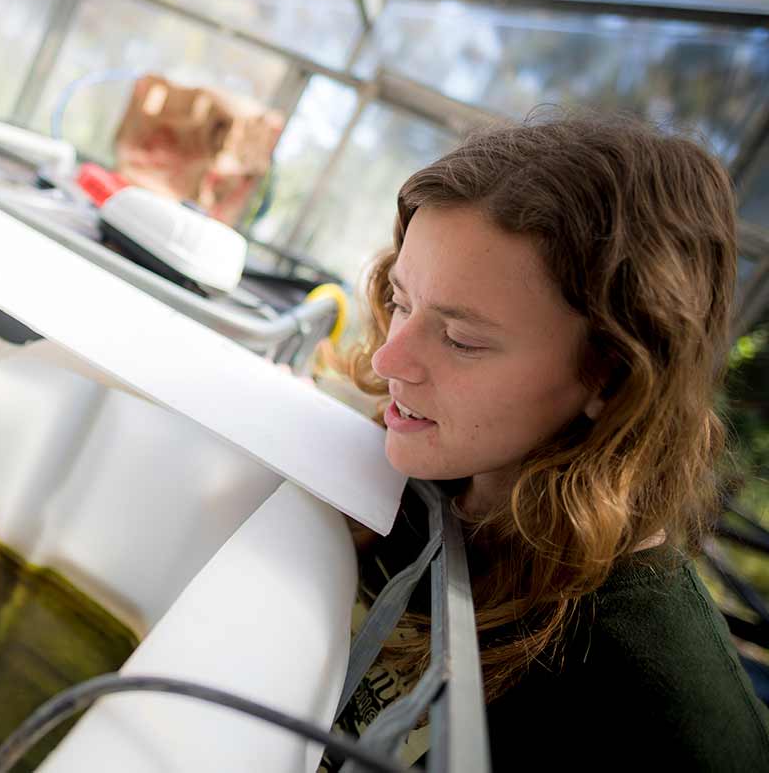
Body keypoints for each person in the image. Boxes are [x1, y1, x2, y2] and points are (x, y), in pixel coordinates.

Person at [323, 112, 769, 771]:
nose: (390, 358)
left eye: (463, 339)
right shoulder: (436, 464)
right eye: (401, 299)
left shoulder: (655, 719)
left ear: (610, 378)